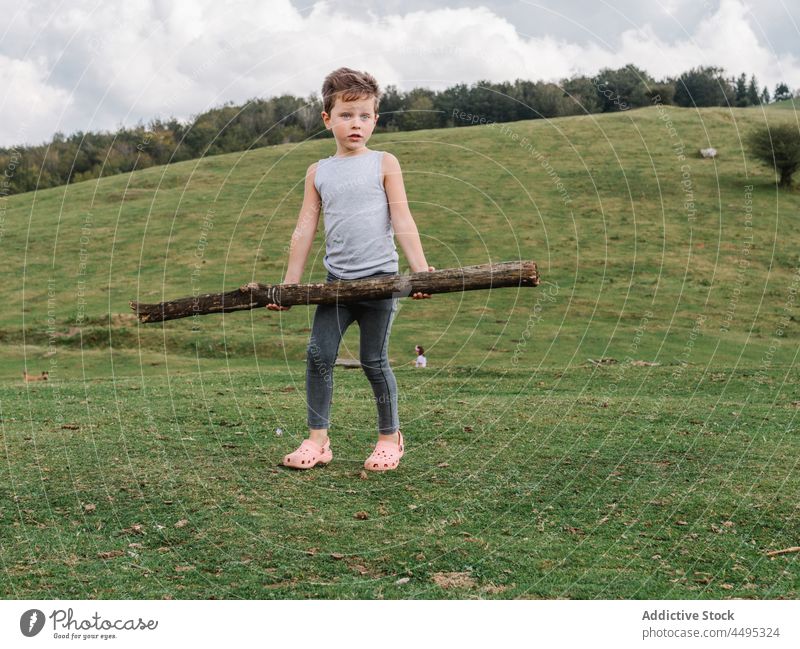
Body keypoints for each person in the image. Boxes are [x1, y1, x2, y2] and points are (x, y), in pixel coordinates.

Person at [267, 67, 434, 471]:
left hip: (381, 283)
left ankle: (389, 438)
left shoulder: (384, 162)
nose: (355, 123)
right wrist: (289, 285)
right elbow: (304, 230)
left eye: (364, 115)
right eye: (346, 115)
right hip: (336, 285)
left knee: (373, 360)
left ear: (375, 119)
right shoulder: (318, 172)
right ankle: (317, 441)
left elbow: (403, 220)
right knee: (317, 354)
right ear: (328, 119)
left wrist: (422, 271)